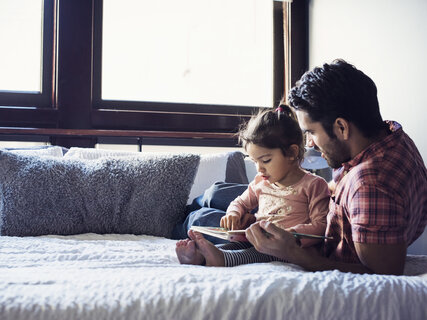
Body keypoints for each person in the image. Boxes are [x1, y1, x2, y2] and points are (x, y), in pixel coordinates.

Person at [243, 59, 427, 275]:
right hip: (310, 213)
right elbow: (346, 193)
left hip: (319, 247)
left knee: (210, 209)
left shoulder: (371, 184)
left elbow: (382, 276)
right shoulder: (393, 137)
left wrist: (292, 253)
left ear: (341, 127)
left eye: (311, 132)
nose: (309, 143)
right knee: (222, 193)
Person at [176, 104, 330, 267]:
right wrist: (234, 214)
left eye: (265, 160)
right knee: (234, 245)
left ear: (292, 153)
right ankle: (201, 256)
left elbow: (321, 226)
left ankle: (222, 259)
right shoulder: (260, 182)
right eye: (255, 161)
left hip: (290, 249)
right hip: (259, 240)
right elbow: (240, 202)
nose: (259, 168)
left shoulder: (314, 185)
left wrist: (290, 235)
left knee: (255, 253)